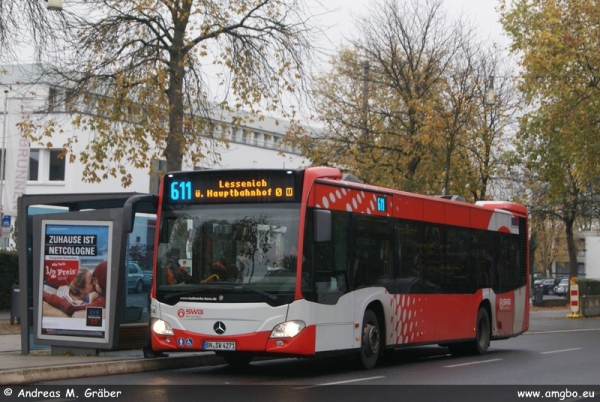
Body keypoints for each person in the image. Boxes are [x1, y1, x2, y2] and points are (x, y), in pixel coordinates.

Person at [43, 261, 108, 317]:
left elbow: (72, 309)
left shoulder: (103, 301)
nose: (94, 282)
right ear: (82, 290)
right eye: (92, 280)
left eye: (96, 280)